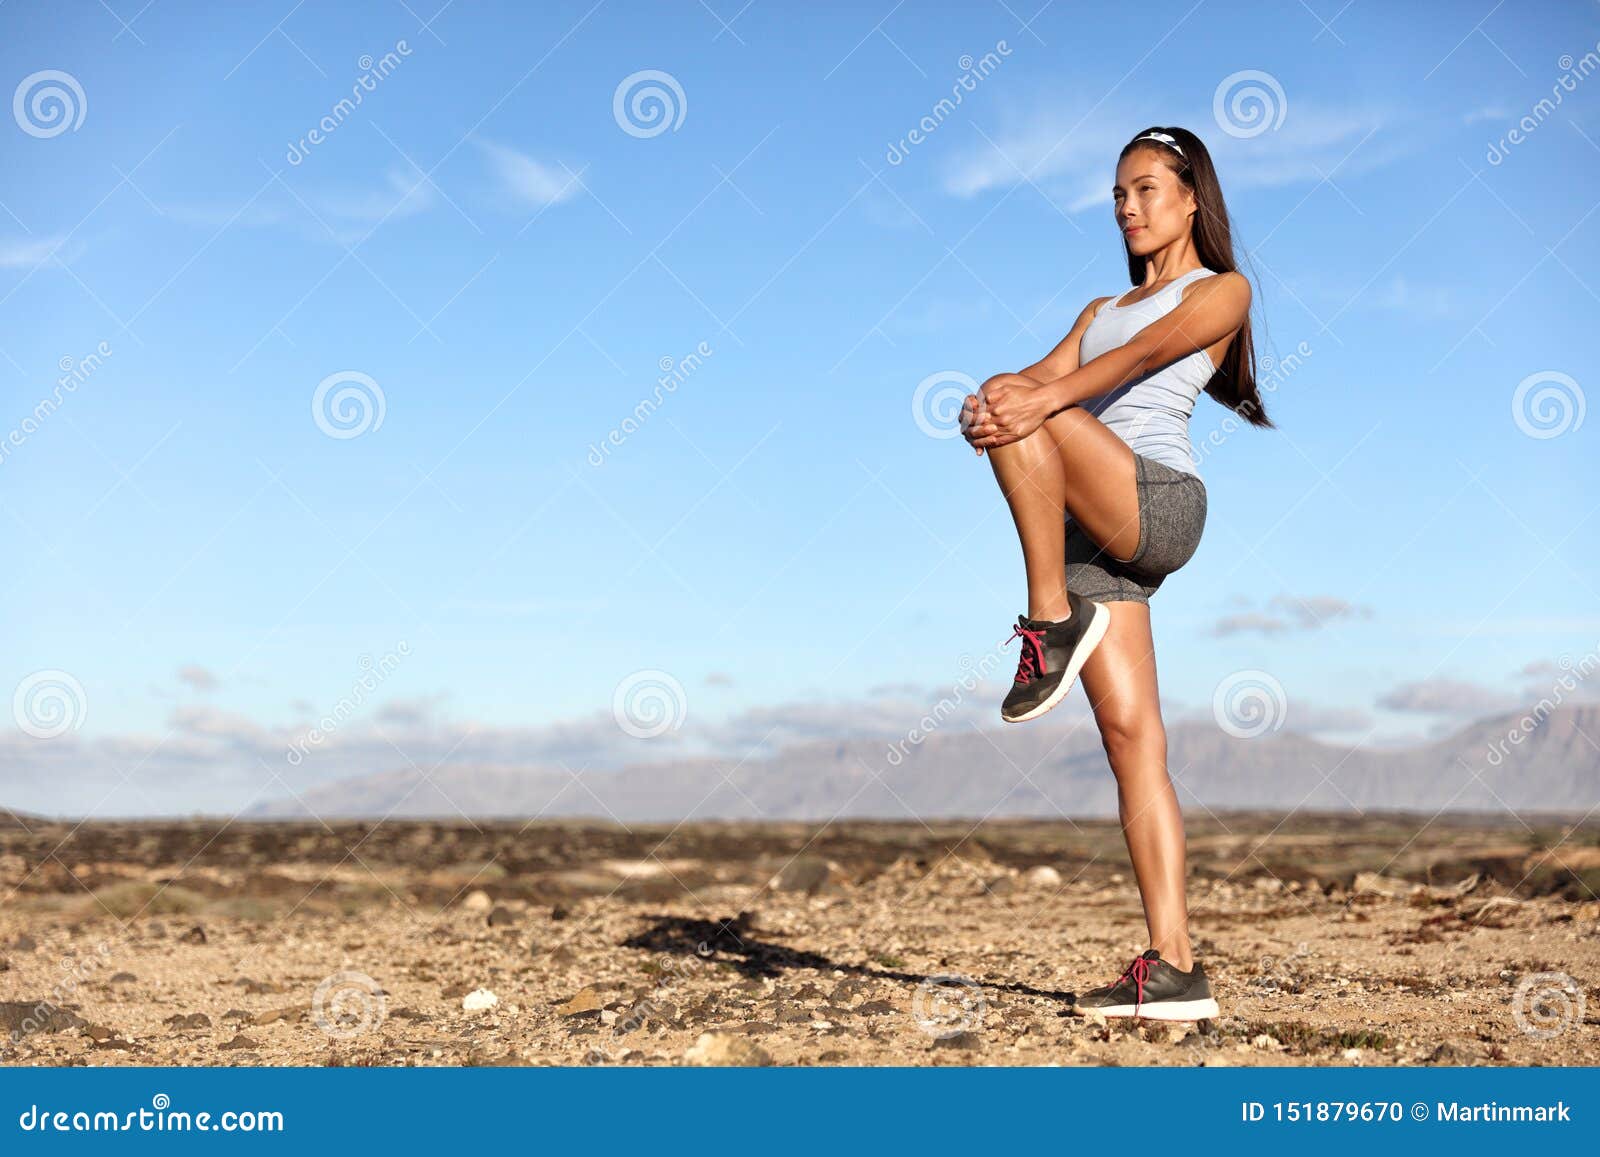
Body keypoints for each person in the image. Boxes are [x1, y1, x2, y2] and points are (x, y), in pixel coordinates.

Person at [959, 126, 1272, 1020]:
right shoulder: (1099, 308)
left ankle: (1046, 616)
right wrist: (990, 406)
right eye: (1117, 196)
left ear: (1189, 198)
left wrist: (1034, 399)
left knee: (1033, 410)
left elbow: (1138, 361)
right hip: (1096, 534)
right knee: (1134, 744)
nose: (1128, 207)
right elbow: (1044, 378)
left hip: (1160, 503)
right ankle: (1174, 968)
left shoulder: (1222, 290)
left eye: (1144, 190)